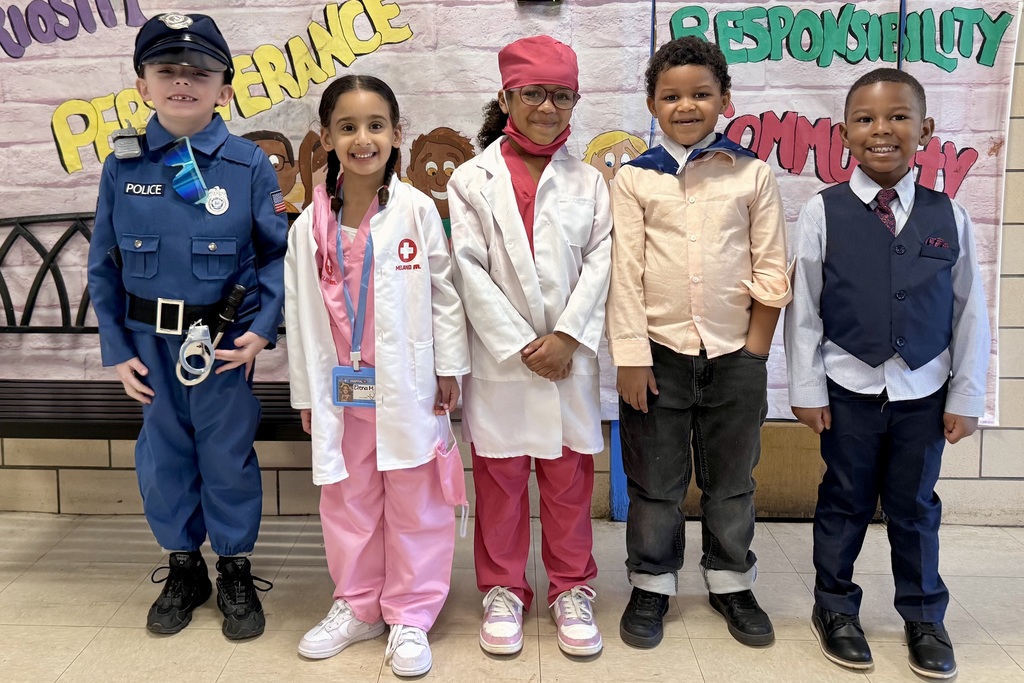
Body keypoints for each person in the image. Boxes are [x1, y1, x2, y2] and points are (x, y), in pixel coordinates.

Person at [784, 68, 989, 680]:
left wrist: (966, 396)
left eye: (899, 117)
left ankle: (923, 615)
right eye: (866, 119)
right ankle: (834, 607)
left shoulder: (949, 215)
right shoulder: (822, 211)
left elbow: (970, 311)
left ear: (924, 130)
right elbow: (804, 309)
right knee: (844, 501)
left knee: (915, 505)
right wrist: (806, 389)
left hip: (924, 390)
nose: (882, 130)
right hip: (848, 387)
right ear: (844, 133)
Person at [87, 12, 287, 640]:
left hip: (222, 344)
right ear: (141, 84)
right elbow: (103, 264)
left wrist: (263, 328)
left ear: (223, 89)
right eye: (167, 70)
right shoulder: (122, 166)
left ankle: (233, 566)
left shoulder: (247, 165)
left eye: (199, 73)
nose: (182, 82)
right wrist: (117, 349)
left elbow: (276, 254)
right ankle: (183, 566)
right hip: (149, 344)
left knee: (226, 455)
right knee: (163, 456)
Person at [606, 36, 791, 649]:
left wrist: (756, 352)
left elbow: (771, 266)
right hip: (657, 356)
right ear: (653, 105)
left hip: (735, 355)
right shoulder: (634, 178)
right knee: (655, 482)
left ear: (724, 99)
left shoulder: (752, 173)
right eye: (671, 96)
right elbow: (624, 273)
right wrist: (630, 357)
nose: (686, 106)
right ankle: (652, 584)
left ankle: (731, 582)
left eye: (700, 94)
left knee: (732, 480)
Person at [285, 74, 470, 678]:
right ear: (326, 138)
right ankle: (358, 605)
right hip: (342, 390)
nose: (362, 139)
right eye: (347, 127)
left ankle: (411, 613)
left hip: (408, 384)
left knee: (416, 498)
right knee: (349, 499)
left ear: (396, 134)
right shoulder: (307, 227)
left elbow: (444, 292)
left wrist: (449, 366)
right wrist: (306, 392)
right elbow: (299, 315)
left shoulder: (415, 210)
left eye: (375, 126)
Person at [448, 35, 612, 658]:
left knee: (569, 480)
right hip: (503, 362)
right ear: (506, 97)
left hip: (569, 358)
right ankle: (503, 589)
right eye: (534, 93)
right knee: (501, 480)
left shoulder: (590, 181)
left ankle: (571, 587)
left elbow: (602, 261)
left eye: (562, 95)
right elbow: (466, 269)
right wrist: (524, 345)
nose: (548, 107)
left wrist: (566, 338)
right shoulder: (471, 179)